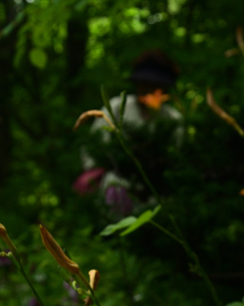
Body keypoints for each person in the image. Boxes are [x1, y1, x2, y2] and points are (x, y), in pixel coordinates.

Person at [77, 49, 185, 213]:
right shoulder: (115, 108)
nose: (147, 91)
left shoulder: (173, 119)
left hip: (157, 191)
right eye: (143, 84)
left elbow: (175, 159)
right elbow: (93, 148)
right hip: (117, 184)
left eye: (153, 86)